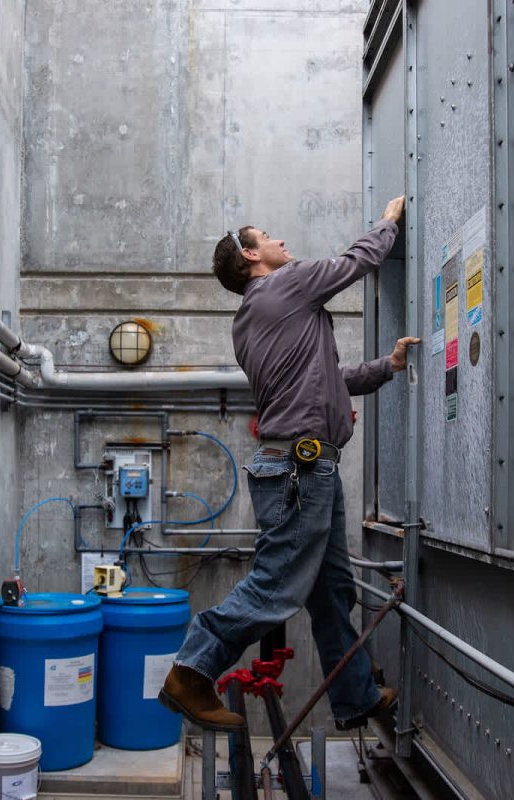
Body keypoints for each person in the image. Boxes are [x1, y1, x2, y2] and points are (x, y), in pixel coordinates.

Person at [158, 196, 418, 731]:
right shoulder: (286, 285)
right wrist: (388, 223)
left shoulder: (254, 317)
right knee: (278, 586)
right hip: (301, 469)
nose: (280, 241)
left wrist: (385, 367)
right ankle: (190, 669)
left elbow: (325, 379)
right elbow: (355, 261)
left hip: (302, 466)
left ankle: (356, 696)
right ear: (252, 256)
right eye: (268, 236)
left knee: (332, 593)